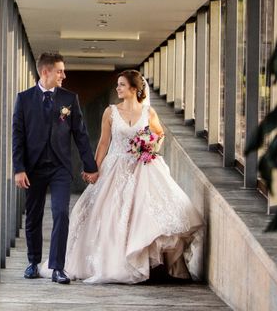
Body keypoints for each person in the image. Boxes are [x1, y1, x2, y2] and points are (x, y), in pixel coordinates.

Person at [62, 69, 204, 284]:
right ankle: (112, 262)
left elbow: (160, 135)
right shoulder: (110, 112)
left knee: (143, 215)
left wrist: (150, 147)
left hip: (143, 168)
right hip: (115, 168)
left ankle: (147, 264)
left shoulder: (149, 113)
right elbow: (103, 143)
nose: (117, 88)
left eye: (122, 85)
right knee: (110, 215)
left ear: (134, 89)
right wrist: (94, 168)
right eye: (117, 85)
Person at [12, 52, 99, 285]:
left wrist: (91, 167)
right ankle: (33, 262)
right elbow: (17, 137)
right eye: (60, 71)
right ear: (45, 72)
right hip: (33, 169)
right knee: (33, 216)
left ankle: (57, 267)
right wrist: (19, 168)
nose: (64, 75)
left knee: (61, 212)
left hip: (60, 167)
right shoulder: (24, 99)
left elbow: (81, 135)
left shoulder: (69, 99)